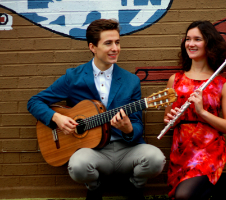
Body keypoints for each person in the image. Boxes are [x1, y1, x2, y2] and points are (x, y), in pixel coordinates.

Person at [27, 19, 166, 200]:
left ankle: (134, 186)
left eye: (117, 42)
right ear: (93, 47)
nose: (115, 48)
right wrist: (56, 118)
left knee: (156, 159)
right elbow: (35, 101)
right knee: (77, 166)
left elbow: (138, 124)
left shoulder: (131, 81)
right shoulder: (73, 78)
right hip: (92, 151)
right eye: (108, 43)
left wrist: (128, 129)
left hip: (126, 149)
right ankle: (95, 187)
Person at [163, 20, 226, 200]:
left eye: (197, 39)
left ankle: (216, 179)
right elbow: (166, 117)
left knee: (184, 196)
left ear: (209, 44)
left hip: (208, 151)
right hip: (181, 151)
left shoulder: (221, 84)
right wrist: (170, 119)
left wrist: (202, 112)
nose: (191, 44)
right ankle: (219, 182)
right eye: (188, 39)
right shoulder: (175, 80)